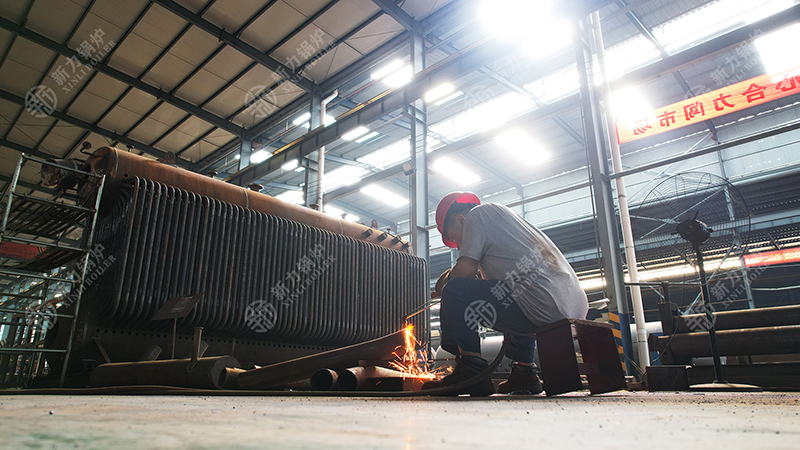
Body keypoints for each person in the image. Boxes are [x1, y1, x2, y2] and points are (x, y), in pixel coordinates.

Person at [422, 192, 588, 396]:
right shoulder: (502, 218)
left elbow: (463, 273)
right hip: (570, 304)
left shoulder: (477, 215)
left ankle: (471, 372)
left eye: (454, 238)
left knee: (454, 290)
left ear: (460, 219)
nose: (458, 246)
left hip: (544, 304)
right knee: (510, 292)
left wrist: (445, 287)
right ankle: (524, 373)